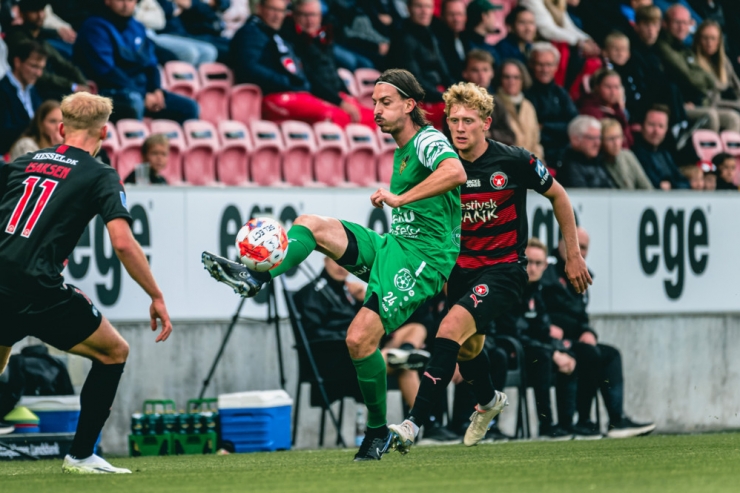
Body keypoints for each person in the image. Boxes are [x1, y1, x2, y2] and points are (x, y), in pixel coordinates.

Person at [202, 68, 467, 461]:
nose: (375, 110)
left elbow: (455, 171)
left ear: (411, 105)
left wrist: (400, 200)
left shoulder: (427, 139)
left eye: (385, 102)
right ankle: (256, 276)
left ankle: (377, 432)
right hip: (395, 245)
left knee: (359, 339)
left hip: (423, 259)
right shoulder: (403, 148)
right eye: (374, 102)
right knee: (310, 225)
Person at [386, 81, 591, 454]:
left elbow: (558, 195)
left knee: (449, 329)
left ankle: (413, 423)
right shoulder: (441, 166)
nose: (459, 128)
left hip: (504, 269)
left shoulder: (514, 160)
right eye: (453, 121)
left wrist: (572, 255)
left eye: (468, 120)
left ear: (486, 123)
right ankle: (489, 400)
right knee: (468, 347)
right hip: (459, 272)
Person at [0, 92, 173, 474]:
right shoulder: (100, 175)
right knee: (114, 352)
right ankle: (80, 456)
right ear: (105, 132)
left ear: (61, 128)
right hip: (38, 286)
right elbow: (124, 243)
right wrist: (156, 295)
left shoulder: (24, 162)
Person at [541, 227, 656, 439]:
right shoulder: (546, 273)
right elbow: (539, 309)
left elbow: (580, 317)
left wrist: (588, 331)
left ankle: (616, 420)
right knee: (589, 354)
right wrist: (549, 327)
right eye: (575, 245)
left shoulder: (582, 277)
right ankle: (583, 420)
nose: (580, 251)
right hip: (551, 343)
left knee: (610, 354)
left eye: (584, 248)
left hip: (575, 341)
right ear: (561, 244)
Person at [295, 257, 431, 410]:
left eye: (344, 262)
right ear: (325, 260)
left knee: (416, 329)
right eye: (335, 261)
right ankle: (427, 422)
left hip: (367, 349)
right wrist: (356, 338)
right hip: (339, 361)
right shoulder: (312, 292)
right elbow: (315, 334)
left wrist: (365, 299)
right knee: (405, 366)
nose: (341, 267)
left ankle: (404, 352)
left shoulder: (350, 291)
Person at [230, 0, 358, 127]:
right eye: (273, 9)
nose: (277, 15)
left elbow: (302, 71)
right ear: (259, 8)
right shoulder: (250, 33)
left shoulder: (278, 36)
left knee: (370, 117)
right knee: (335, 116)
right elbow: (248, 69)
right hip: (271, 97)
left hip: (295, 93)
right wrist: (289, 82)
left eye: (281, 11)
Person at [495, 238, 575, 440]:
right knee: (543, 357)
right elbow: (512, 331)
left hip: (533, 350)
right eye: (528, 262)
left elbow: (543, 330)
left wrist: (559, 350)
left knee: (571, 356)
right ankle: (546, 425)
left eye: (538, 263)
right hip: (512, 349)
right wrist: (552, 352)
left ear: (545, 265)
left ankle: (569, 424)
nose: (532, 268)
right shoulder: (510, 289)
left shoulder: (537, 291)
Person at [73, 0, 200, 123]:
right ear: (107, 1)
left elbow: (151, 64)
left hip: (141, 89)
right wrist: (144, 95)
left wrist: (156, 90)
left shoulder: (137, 27)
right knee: (135, 103)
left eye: (130, 0)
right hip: (109, 91)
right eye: (120, 0)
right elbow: (107, 72)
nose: (125, 4)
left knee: (189, 108)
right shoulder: (94, 27)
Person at [282, 0, 375, 128]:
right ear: (295, 16)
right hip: (320, 99)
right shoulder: (292, 42)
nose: (310, 20)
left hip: (335, 96)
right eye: (305, 15)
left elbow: (332, 71)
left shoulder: (322, 38)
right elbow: (311, 80)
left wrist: (348, 95)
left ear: (320, 17)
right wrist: (340, 102)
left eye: (313, 15)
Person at [656, 4, 740, 132]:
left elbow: (701, 77)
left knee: (732, 116)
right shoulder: (667, 48)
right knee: (719, 117)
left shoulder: (683, 49)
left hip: (704, 101)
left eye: (685, 23)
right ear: (665, 24)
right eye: (677, 22)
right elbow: (692, 78)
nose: (681, 27)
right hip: (695, 103)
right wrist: (709, 83)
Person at [386, 0, 455, 129]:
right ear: (409, 8)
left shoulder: (431, 35)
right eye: (419, 6)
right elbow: (415, 83)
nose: (424, 11)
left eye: (428, 7)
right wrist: (445, 96)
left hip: (435, 94)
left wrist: (457, 92)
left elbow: (445, 73)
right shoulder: (403, 39)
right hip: (415, 101)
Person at [4, 0, 90, 101]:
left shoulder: (39, 36)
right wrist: (73, 86)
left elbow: (62, 63)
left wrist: (83, 83)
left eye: (42, 10)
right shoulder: (18, 38)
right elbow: (39, 75)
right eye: (34, 11)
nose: (40, 15)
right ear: (22, 13)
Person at [524, 42, 579, 168]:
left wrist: (545, 126)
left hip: (564, 152)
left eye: (549, 64)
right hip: (537, 153)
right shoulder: (525, 93)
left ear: (556, 67)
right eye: (540, 64)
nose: (545, 69)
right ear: (531, 65)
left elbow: (574, 124)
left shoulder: (561, 93)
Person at [0, 40, 46, 156]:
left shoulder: (33, 90)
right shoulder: (2, 91)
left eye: (41, 68)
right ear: (17, 62)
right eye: (34, 66)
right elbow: (4, 134)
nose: (38, 73)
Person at [460, 50, 515, 146]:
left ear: (492, 73)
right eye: (475, 70)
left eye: (485, 70)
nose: (481, 75)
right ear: (465, 73)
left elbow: (510, 136)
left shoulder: (497, 102)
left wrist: (489, 134)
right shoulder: (456, 103)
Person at [632, 105, 690, 190]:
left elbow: (685, 183)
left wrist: (671, 185)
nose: (656, 131)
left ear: (666, 130)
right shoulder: (636, 154)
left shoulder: (665, 154)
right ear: (642, 126)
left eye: (661, 126)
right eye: (651, 125)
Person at [496, 59, 544, 157]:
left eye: (516, 77)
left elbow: (536, 142)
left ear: (523, 79)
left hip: (529, 164)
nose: (511, 81)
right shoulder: (493, 104)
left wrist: (538, 163)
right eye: (507, 77)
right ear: (500, 79)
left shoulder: (528, 106)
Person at [578, 69, 634, 149]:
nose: (613, 92)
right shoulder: (590, 111)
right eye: (608, 87)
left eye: (616, 87)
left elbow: (629, 140)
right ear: (597, 87)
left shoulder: (617, 110)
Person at [693, 20, 740, 114]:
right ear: (698, 39)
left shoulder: (724, 61)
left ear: (719, 41)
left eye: (713, 38)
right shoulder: (693, 60)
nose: (709, 43)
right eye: (705, 38)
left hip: (731, 103)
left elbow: (737, 86)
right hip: (711, 105)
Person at [559, 116, 614, 189]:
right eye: (591, 138)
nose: (597, 143)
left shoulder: (598, 161)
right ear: (575, 139)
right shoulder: (569, 168)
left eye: (599, 138)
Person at [600, 118, 653, 190]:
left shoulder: (628, 156)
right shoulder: (598, 163)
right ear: (601, 140)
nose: (616, 143)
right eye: (611, 139)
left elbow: (647, 187)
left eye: (618, 137)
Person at [433, 0, 471, 82]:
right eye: (451, 14)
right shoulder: (436, 42)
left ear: (465, 17)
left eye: (460, 14)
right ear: (442, 16)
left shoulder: (466, 39)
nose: (456, 19)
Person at [464, 0, 502, 64]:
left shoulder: (465, 41)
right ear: (484, 16)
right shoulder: (468, 45)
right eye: (493, 14)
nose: (495, 19)